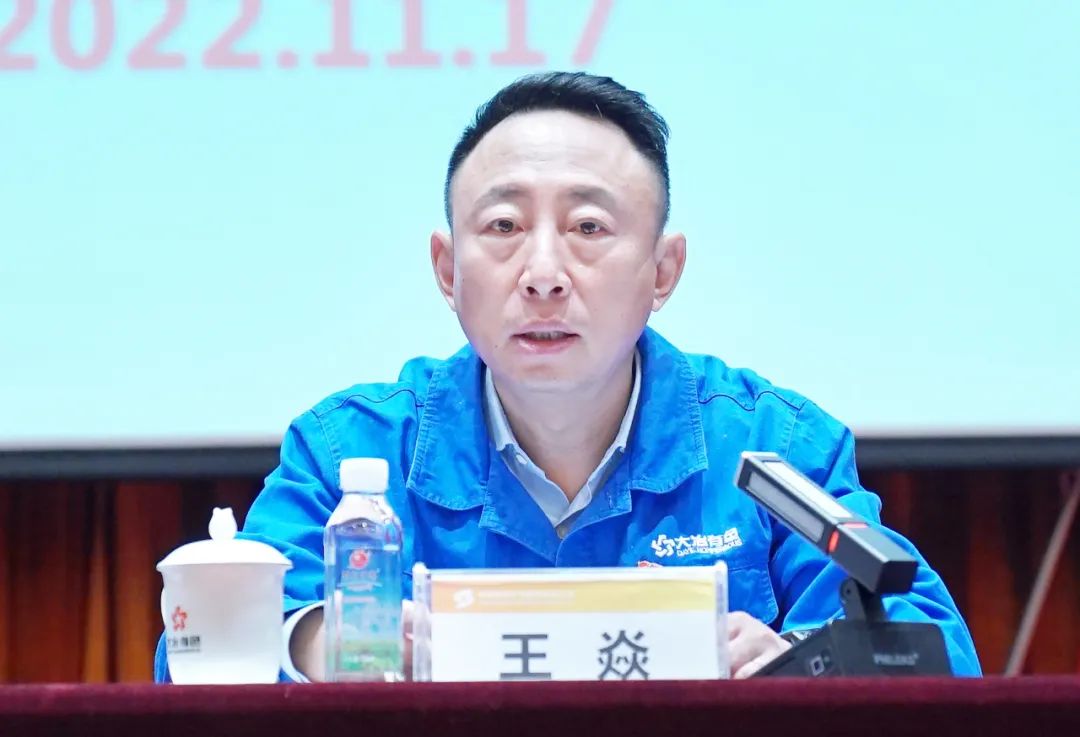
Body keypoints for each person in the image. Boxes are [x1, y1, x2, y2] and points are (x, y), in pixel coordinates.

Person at [155, 71, 980, 681]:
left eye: (588, 227)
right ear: (447, 269)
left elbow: (936, 652)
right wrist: (316, 643)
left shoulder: (771, 444)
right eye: (503, 226)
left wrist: (798, 660)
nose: (543, 273)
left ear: (663, 269)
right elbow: (196, 649)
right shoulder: (352, 452)